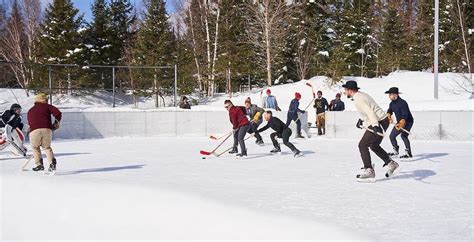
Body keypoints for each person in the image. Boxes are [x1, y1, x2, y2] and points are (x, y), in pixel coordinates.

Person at [342, 81, 400, 182]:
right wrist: (362, 119)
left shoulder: (358, 99)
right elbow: (367, 110)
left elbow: (370, 112)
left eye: (345, 90)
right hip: (382, 120)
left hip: (379, 122)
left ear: (350, 90)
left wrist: (375, 126)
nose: (345, 91)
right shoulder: (361, 95)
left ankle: (369, 170)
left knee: (362, 145)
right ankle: (391, 164)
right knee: (374, 146)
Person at [27, 93, 62, 172]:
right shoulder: (47, 106)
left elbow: (30, 122)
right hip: (47, 129)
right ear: (44, 100)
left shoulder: (31, 110)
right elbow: (58, 113)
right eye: (46, 99)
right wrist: (56, 123)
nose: (47, 100)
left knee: (35, 147)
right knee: (47, 147)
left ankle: (39, 165)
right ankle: (52, 163)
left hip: (34, 130)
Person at [385, 87, 414, 159]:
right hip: (399, 122)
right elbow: (390, 110)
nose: (389, 96)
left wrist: (402, 123)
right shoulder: (392, 103)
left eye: (390, 94)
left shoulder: (403, 103)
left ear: (396, 95)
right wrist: (389, 115)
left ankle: (408, 153)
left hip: (407, 121)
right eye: (389, 94)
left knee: (403, 136)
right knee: (392, 136)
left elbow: (405, 115)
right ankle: (395, 151)